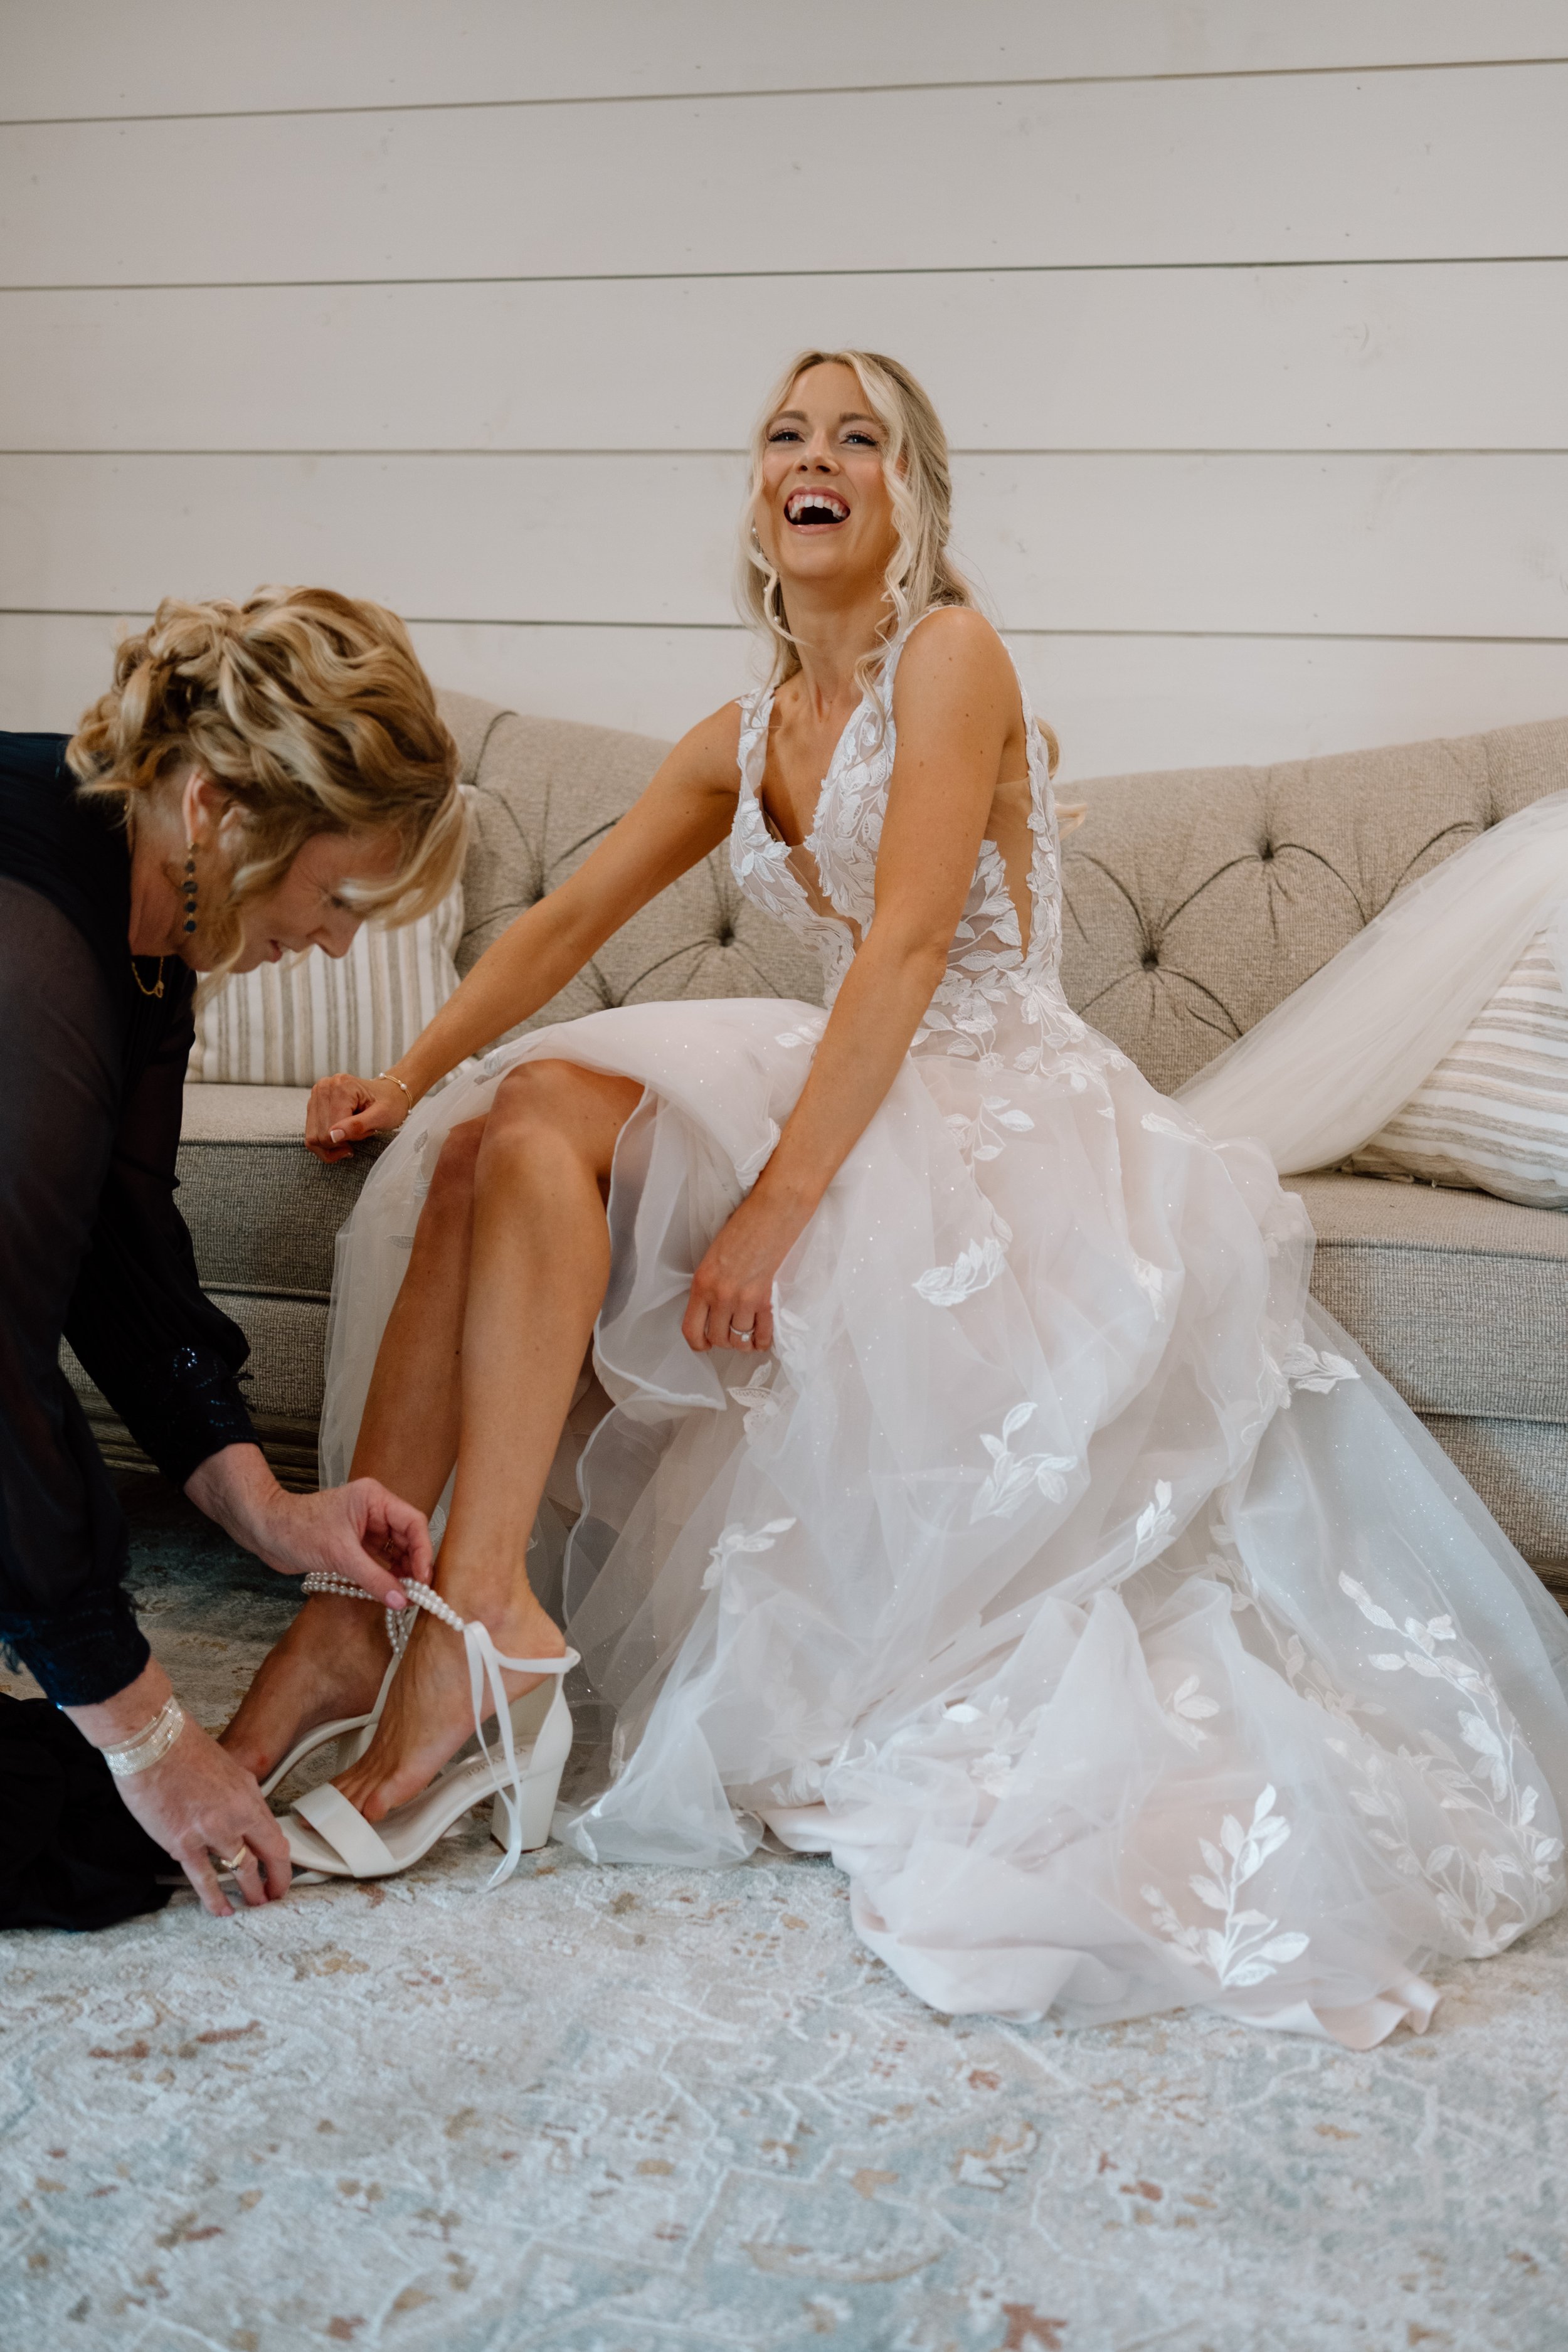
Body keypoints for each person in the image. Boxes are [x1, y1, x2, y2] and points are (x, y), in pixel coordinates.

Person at [230, 353, 1568, 2042]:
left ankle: (461, 1641)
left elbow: (915, 946)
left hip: (989, 1108)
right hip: (855, 1071)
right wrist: (409, 1071)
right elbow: (563, 923)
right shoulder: (742, 734)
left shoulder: (951, 655)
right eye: (786, 434)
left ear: (908, 492)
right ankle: (381, 1619)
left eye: (856, 436)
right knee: (487, 1137)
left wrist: (772, 1209)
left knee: (550, 1113)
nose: (816, 456)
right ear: (758, 495)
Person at [0, 586, 464, 1925]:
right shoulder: (30, 945)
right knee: (87, 1820)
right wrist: (150, 1733)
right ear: (216, 808)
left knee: (78, 1818)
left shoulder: (151, 925)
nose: (336, 939)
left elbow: (124, 1247)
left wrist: (269, 1510)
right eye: (334, 893)